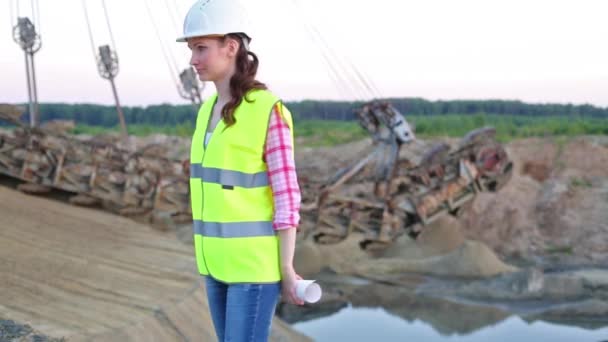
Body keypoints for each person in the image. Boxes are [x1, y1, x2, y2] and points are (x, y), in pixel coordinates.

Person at [176, 0, 304, 341]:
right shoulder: (206, 112)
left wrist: (287, 268)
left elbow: (287, 196)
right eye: (191, 49)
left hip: (252, 269)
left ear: (231, 47)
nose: (193, 59)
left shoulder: (267, 110)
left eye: (201, 48)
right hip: (215, 265)